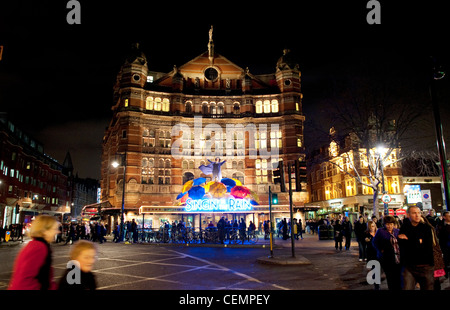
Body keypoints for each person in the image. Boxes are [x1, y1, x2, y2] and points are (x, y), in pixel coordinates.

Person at [8, 215, 59, 290]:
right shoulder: (38, 247)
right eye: (54, 229)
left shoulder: (38, 245)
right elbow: (25, 280)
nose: (57, 232)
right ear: (45, 231)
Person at [398, 205, 435, 290]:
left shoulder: (426, 228)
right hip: (409, 266)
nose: (417, 215)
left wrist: (409, 240)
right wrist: (418, 241)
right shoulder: (404, 227)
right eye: (414, 213)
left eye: (419, 213)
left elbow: (426, 246)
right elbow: (402, 245)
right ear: (408, 215)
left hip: (426, 265)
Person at [373, 215, 402, 290]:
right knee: (390, 277)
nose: (389, 226)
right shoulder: (380, 231)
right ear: (385, 224)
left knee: (398, 276)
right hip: (387, 258)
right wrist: (380, 250)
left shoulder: (397, 231)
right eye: (388, 224)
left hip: (398, 257)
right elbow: (374, 242)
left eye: (391, 224)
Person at [365, 220, 379, 289]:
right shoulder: (367, 234)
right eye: (370, 227)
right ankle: (377, 286)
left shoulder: (378, 233)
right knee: (375, 271)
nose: (372, 228)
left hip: (379, 254)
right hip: (371, 255)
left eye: (373, 226)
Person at [437, 211, 450, 278]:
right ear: (444, 217)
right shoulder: (441, 225)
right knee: (446, 259)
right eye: (448, 216)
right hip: (445, 245)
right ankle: (446, 272)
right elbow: (439, 235)